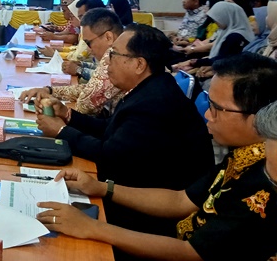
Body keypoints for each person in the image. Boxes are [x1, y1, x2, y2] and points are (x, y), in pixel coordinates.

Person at [35, 53, 277, 261]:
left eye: (216, 108)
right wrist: (102, 188)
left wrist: (93, 228)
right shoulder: (245, 155)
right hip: (175, 234)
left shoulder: (265, 182)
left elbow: (190, 252)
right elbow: (181, 201)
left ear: (259, 117)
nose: (207, 114)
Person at [34, 24, 214, 238]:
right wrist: (67, 114)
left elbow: (109, 155)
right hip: (135, 186)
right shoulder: (149, 87)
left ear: (139, 64)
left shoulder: (155, 104)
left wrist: (62, 131)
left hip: (150, 215)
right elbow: (110, 129)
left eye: (114, 55)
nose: (106, 62)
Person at [21, 8, 124, 116]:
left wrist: (58, 107)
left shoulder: (115, 56)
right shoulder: (120, 50)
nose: (89, 50)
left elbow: (84, 105)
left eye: (89, 43)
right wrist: (50, 91)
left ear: (108, 37)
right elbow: (90, 89)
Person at [174, 2, 254, 77]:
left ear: (226, 17)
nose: (215, 22)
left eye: (217, 18)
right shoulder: (226, 31)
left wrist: (194, 62)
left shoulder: (235, 36)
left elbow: (224, 59)